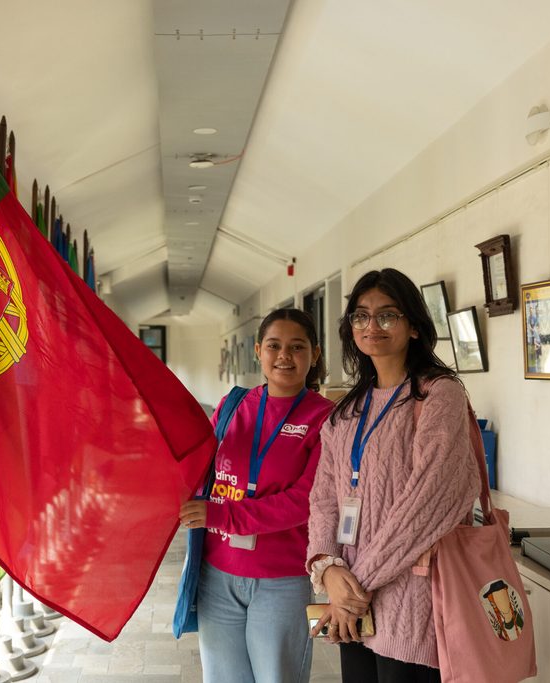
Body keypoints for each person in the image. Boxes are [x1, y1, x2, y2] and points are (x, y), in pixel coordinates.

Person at [306, 269, 480, 683]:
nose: (372, 326)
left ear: (415, 327)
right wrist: (328, 570)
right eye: (361, 317)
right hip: (354, 605)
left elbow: (428, 504)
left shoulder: (439, 394)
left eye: (387, 316)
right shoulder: (346, 410)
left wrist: (352, 589)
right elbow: (324, 500)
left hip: (412, 600)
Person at [179, 308, 335, 683]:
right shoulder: (233, 406)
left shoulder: (326, 418)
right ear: (258, 352)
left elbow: (305, 501)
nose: (284, 355)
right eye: (274, 345)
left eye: (297, 347)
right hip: (217, 575)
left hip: (282, 579)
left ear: (314, 354)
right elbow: (199, 470)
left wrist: (220, 516)